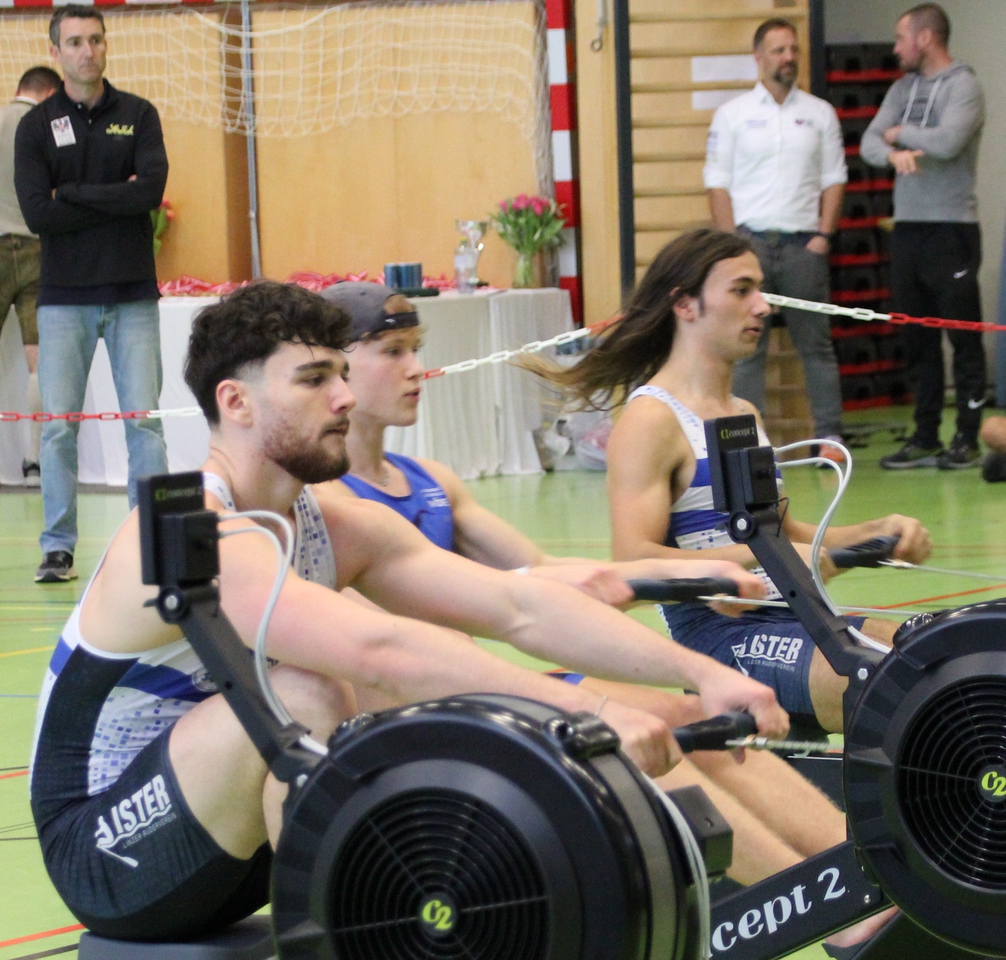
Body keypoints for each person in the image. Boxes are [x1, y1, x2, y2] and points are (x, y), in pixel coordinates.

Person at [29, 280, 788, 942]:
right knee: (315, 688)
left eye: (341, 374)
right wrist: (585, 712)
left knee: (375, 699)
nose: (344, 398)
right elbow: (380, 651)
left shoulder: (329, 522)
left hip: (225, 847)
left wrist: (700, 672)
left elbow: (519, 605)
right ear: (236, 402)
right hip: (108, 852)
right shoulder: (199, 526)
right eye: (314, 379)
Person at [314, 279, 856, 889]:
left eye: (416, 349)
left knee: (694, 715)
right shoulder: (328, 506)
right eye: (393, 352)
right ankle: (817, 901)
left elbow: (545, 573)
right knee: (634, 743)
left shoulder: (430, 480)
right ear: (338, 366)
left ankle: (858, 877)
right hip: (419, 717)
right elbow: (397, 645)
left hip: (487, 695)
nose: (417, 368)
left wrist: (696, 572)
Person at [526, 229, 932, 734]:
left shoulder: (743, 413)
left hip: (798, 617)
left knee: (937, 660)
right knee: (899, 690)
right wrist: (757, 560)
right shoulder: (651, 419)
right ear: (685, 305)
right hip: (720, 638)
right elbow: (631, 562)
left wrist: (877, 532)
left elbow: (781, 534)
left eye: (759, 290)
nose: (763, 306)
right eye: (742, 290)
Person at [15, 5, 169, 584]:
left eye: (96, 40)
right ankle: (58, 547)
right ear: (55, 52)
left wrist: (73, 193)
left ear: (106, 46)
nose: (88, 51)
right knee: (59, 428)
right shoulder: (35, 127)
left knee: (144, 425)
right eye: (76, 42)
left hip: (133, 297)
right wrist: (113, 196)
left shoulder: (139, 114)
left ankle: (150, 542)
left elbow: (148, 193)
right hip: (62, 300)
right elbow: (38, 214)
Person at [703, 17, 846, 462]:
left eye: (793, 50)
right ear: (758, 57)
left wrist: (823, 236)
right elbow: (717, 183)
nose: (788, 57)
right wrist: (733, 249)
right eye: (778, 50)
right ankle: (750, 444)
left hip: (805, 245)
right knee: (747, 348)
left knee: (816, 345)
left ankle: (830, 438)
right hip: (751, 246)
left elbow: (834, 178)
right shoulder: (732, 115)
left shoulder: (820, 113)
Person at [861, 3, 986, 470]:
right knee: (917, 337)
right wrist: (892, 153)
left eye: (901, 38)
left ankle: (967, 437)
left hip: (951, 229)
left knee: (963, 338)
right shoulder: (901, 89)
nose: (896, 48)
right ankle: (926, 435)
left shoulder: (964, 86)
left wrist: (901, 133)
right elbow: (870, 142)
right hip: (908, 229)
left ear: (926, 37)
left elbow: (949, 142)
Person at [0, 65, 60, 486]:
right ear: (49, 94)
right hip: (38, 248)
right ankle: (33, 463)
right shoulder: (46, 127)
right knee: (38, 359)